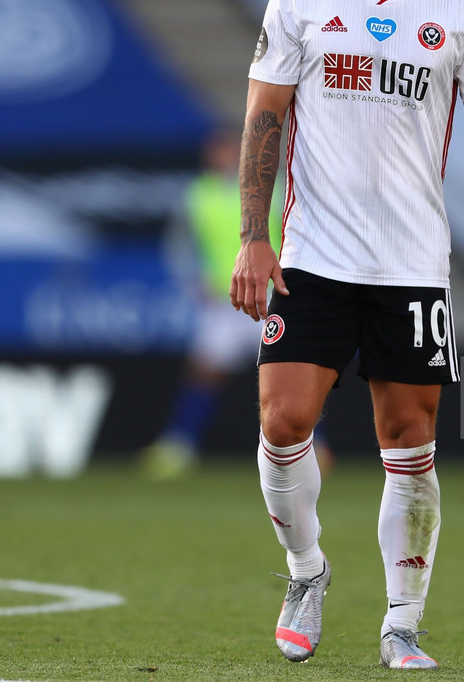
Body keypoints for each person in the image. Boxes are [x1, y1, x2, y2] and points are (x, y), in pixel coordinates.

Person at [230, 0, 464, 670]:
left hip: (410, 266)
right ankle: (306, 572)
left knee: (409, 439)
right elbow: (264, 120)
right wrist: (252, 235)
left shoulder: (461, 9)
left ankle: (401, 623)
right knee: (282, 420)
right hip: (314, 257)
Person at [140, 132, 332, 479]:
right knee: (204, 373)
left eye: (231, 149)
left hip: (270, 301)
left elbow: (299, 237)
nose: (225, 156)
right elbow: (180, 245)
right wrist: (191, 282)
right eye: (219, 149)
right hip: (224, 304)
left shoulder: (272, 193)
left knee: (290, 376)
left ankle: (315, 447)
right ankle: (179, 445)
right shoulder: (198, 195)